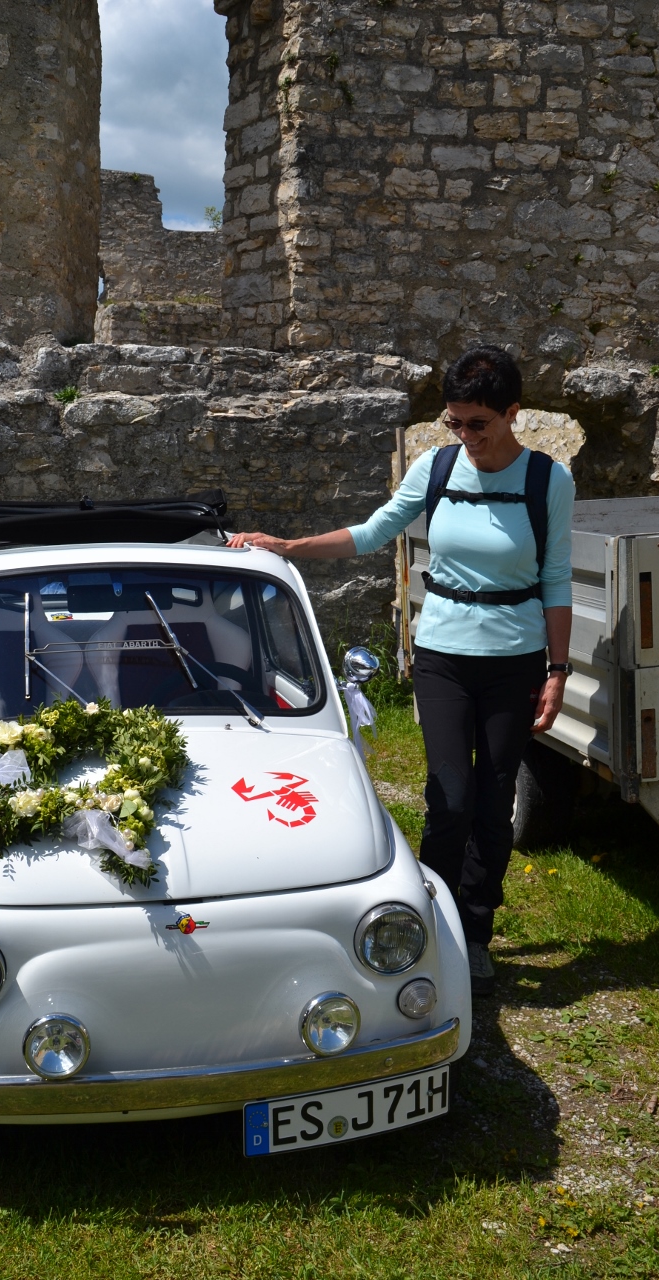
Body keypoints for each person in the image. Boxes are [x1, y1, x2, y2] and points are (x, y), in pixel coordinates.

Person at [227, 345, 574, 997]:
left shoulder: (547, 481)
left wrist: (557, 671)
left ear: (512, 413)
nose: (466, 436)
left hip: (515, 660)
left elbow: (555, 579)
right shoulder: (435, 468)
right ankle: (432, 922)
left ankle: (474, 932)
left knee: (493, 798)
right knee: (449, 795)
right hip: (443, 656)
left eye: (479, 424)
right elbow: (372, 532)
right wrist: (288, 546)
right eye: (455, 423)